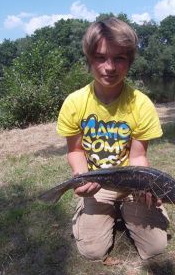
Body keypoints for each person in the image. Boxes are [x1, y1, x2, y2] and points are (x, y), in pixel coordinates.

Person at [56, 18, 168, 262]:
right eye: (100, 57)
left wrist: (145, 185)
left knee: (155, 248)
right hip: (97, 184)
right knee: (92, 252)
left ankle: (130, 208)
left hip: (130, 183)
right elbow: (75, 151)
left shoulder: (141, 104)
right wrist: (81, 176)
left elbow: (138, 156)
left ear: (129, 62)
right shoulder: (74, 103)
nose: (110, 67)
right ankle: (94, 209)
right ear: (89, 60)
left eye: (119, 58)